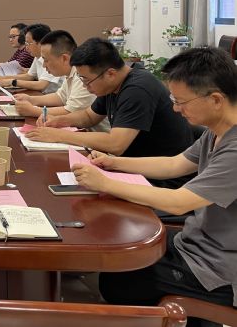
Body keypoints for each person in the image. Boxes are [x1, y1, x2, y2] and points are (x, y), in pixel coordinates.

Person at [71, 47, 237, 327]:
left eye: (181, 101)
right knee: (118, 255)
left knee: (121, 282)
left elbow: (179, 202)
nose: (175, 108)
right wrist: (114, 163)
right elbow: (174, 164)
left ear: (216, 99)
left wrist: (105, 182)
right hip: (198, 242)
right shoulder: (217, 130)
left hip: (220, 268)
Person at [27, 37, 194, 188]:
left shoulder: (137, 89)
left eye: (86, 80)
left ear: (110, 74)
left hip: (161, 180)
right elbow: (88, 117)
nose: (85, 86)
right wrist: (59, 121)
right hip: (130, 166)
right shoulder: (112, 85)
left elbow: (116, 144)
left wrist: (59, 135)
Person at [13, 30, 109, 132]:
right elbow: (60, 97)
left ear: (64, 58)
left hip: (97, 134)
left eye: (46, 60)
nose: (44, 65)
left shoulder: (82, 75)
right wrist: (31, 99)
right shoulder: (71, 72)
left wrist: (33, 110)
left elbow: (71, 111)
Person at [0, 23, 63, 93]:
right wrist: (2, 78)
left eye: (28, 43)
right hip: (43, 95)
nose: (26, 47)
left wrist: (13, 82)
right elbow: (29, 76)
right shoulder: (37, 56)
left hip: (52, 97)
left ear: (41, 43)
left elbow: (41, 85)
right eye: (25, 43)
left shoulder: (52, 57)